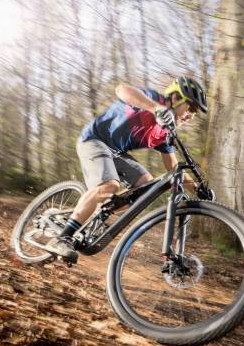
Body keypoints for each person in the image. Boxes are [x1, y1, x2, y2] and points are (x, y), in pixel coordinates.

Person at [44, 76, 212, 262]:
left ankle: (98, 214)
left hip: (116, 153)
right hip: (94, 140)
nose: (191, 115)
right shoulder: (151, 99)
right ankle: (62, 238)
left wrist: (197, 189)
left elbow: (173, 165)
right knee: (110, 185)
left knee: (146, 187)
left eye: (196, 113)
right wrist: (156, 108)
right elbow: (122, 90)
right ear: (175, 98)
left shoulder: (165, 130)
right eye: (191, 107)